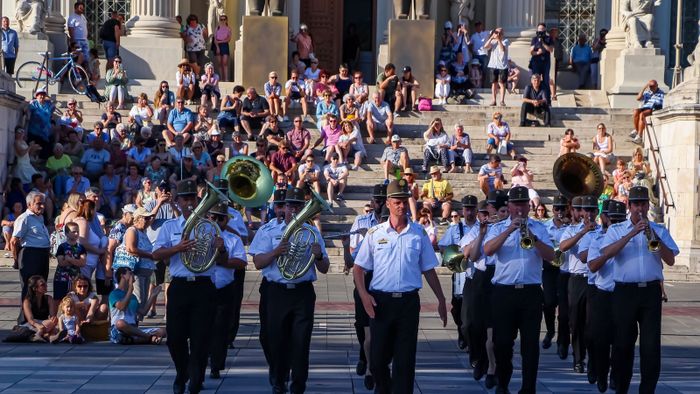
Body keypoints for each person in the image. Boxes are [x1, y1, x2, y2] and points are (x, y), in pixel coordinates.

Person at [354, 179, 447, 394]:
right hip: (381, 302)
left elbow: (428, 269)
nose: (401, 206)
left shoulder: (418, 233)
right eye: (397, 201)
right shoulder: (375, 233)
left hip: (408, 302)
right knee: (377, 360)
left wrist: (442, 300)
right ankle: (384, 388)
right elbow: (359, 268)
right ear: (388, 203)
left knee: (405, 362)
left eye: (405, 201)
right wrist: (364, 295)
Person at [249, 187, 330, 394]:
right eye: (290, 205)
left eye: (298, 206)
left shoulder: (311, 232)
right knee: (274, 339)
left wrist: (319, 255)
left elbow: (324, 268)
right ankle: (278, 378)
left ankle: (298, 385)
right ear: (282, 207)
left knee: (301, 342)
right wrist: (276, 252)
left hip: (302, 292)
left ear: (303, 208)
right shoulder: (268, 231)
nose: (293, 209)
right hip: (276, 292)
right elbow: (258, 262)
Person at [600, 186, 678, 393]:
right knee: (622, 344)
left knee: (650, 347)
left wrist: (653, 235)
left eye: (643, 204)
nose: (640, 209)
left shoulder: (659, 230)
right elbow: (607, 253)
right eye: (636, 204)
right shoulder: (616, 230)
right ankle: (621, 387)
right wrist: (632, 234)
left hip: (650, 292)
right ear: (629, 206)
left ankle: (647, 389)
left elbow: (670, 260)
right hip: (624, 292)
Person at [483, 186, 555, 394]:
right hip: (504, 292)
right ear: (509, 206)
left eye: (523, 204)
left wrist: (532, 236)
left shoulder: (539, 228)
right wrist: (509, 230)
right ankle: (503, 384)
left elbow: (551, 256)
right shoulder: (497, 228)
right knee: (502, 343)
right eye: (516, 204)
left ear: (528, 206)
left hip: (530, 293)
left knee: (530, 346)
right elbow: (487, 250)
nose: (520, 209)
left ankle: (528, 388)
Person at [152, 180, 211, 393]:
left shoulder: (208, 225)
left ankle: (195, 378)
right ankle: (182, 371)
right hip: (179, 286)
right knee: (175, 336)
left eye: (192, 199)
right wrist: (178, 248)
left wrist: (220, 250)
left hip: (203, 285)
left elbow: (220, 258)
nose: (189, 203)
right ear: (177, 201)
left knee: (200, 336)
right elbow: (156, 254)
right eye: (185, 199)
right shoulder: (169, 227)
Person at [462, 190, 509, 388]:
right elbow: (469, 255)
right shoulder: (479, 228)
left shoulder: (507, 226)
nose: (494, 211)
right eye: (490, 207)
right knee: (473, 325)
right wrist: (481, 233)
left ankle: (491, 367)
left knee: (493, 329)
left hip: (499, 276)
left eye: (497, 208)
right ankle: (478, 358)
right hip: (481, 278)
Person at [585, 199, 625, 392]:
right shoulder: (597, 239)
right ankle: (600, 371)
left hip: (624, 294)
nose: (616, 223)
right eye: (613, 219)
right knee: (599, 339)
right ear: (605, 218)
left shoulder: (630, 237)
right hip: (602, 293)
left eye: (620, 219)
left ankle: (616, 375)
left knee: (621, 340)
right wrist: (610, 251)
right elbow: (592, 266)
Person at [206, 201, 247, 378]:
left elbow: (241, 262)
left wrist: (223, 261)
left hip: (224, 288)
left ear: (226, 220)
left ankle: (216, 364)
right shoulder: (200, 236)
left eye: (221, 218)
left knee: (221, 328)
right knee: (202, 327)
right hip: (203, 287)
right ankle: (201, 358)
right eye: (213, 217)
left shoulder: (232, 238)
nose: (216, 221)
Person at [559, 195, 599, 374]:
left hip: (595, 279)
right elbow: (563, 247)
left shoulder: (603, 231)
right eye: (585, 210)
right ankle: (578, 358)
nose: (588, 214)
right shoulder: (571, 230)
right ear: (580, 212)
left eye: (592, 210)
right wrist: (583, 232)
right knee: (575, 322)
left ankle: (592, 359)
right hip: (577, 279)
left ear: (597, 212)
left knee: (593, 323)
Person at [437, 195, 478, 350]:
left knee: (473, 307)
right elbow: (442, 246)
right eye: (467, 209)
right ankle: (461, 331)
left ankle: (470, 335)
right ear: (462, 210)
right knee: (457, 306)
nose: (469, 212)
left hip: (475, 271)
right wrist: (454, 252)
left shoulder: (481, 227)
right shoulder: (455, 228)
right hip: (460, 271)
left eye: (472, 209)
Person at [11, 191, 51, 323]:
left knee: (40, 287)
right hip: (30, 255)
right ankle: (24, 320)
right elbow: (14, 241)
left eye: (43, 203)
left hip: (42, 255)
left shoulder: (39, 218)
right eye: (38, 203)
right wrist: (16, 260)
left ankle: (38, 317)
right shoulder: (24, 218)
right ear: (29, 204)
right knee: (29, 288)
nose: (42, 206)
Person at [109, 267, 166, 344]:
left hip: (133, 329)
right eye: (130, 273)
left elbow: (143, 312)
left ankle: (134, 339)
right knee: (120, 323)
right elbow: (122, 307)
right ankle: (147, 338)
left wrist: (152, 296)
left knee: (162, 331)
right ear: (122, 276)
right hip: (118, 329)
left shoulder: (133, 296)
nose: (133, 275)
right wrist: (130, 288)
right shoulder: (114, 294)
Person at [541, 195, 569, 351]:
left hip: (564, 268)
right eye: (557, 208)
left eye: (562, 208)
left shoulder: (571, 226)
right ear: (552, 210)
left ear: (567, 209)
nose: (560, 211)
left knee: (564, 309)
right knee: (549, 302)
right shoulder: (545, 227)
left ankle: (562, 340)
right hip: (550, 268)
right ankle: (550, 330)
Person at [21, 275, 57, 342]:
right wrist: (38, 326)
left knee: (51, 323)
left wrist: (53, 319)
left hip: (44, 323)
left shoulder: (49, 298)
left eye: (45, 283)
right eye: (42, 285)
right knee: (51, 328)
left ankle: (45, 335)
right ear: (35, 288)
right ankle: (43, 335)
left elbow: (52, 315)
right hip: (31, 324)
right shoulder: (27, 301)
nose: (46, 286)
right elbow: (30, 320)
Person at [630, 80, 664, 144]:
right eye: (650, 86)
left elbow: (660, 103)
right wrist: (644, 88)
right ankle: (637, 131)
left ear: (657, 85)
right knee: (635, 111)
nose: (652, 88)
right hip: (645, 107)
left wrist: (653, 102)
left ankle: (639, 136)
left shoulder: (661, 93)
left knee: (642, 114)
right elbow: (638, 98)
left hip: (653, 108)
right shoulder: (647, 92)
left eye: (653, 86)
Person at [484, 27, 509, 106]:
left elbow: (502, 50)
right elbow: (485, 46)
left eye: (499, 32)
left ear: (502, 34)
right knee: (494, 83)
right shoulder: (493, 41)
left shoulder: (505, 41)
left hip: (502, 66)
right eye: (496, 32)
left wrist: (498, 40)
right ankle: (494, 100)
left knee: (502, 83)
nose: (498, 34)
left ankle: (502, 101)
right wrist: (491, 37)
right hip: (493, 65)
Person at [212, 14, 231, 82]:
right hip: (218, 46)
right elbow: (215, 40)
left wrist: (221, 41)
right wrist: (217, 47)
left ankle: (226, 78)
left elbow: (229, 39)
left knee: (225, 62)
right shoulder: (217, 28)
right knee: (220, 63)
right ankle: (221, 78)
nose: (223, 21)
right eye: (221, 19)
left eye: (224, 19)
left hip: (225, 45)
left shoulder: (228, 28)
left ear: (226, 20)